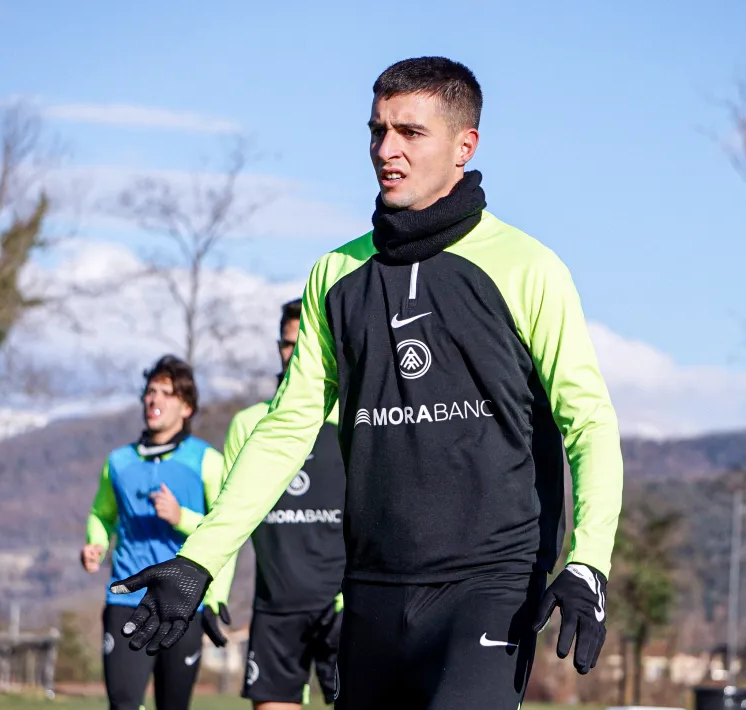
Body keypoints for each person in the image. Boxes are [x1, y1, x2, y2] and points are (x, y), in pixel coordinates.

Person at [111, 56, 624, 709]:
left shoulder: (527, 268)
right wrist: (200, 559)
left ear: (464, 145)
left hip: (490, 583)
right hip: (371, 589)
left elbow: (590, 424)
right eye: (377, 130)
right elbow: (286, 428)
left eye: (411, 133)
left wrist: (589, 559)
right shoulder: (335, 276)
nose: (387, 150)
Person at [80, 355, 237, 710]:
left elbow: (226, 529)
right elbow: (101, 514)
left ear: (186, 407)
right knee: (123, 704)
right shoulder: (118, 462)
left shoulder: (207, 461)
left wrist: (181, 517)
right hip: (125, 599)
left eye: (167, 393)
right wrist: (96, 544)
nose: (155, 400)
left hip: (180, 601)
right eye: (151, 392)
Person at [225, 298, 346, 709]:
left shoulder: (352, 420)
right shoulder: (248, 424)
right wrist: (213, 592)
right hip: (276, 607)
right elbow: (229, 516)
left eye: (302, 342)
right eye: (286, 343)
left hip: (344, 605)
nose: (293, 353)